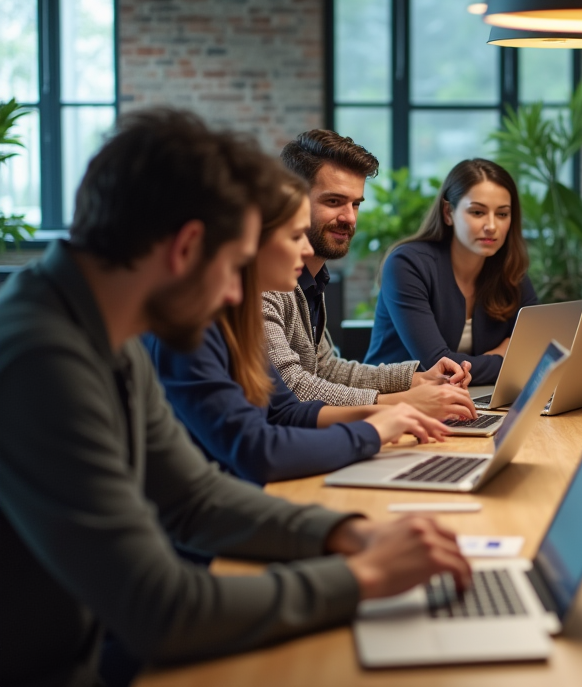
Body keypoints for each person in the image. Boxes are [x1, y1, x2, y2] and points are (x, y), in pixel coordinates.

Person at [0, 109, 469, 687]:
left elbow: (193, 497)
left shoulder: (104, 329)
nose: (234, 294)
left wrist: (346, 533)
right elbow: (161, 611)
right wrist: (365, 577)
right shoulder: (40, 357)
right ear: (187, 247)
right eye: (233, 267)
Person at [146, 165, 452, 486]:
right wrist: (374, 427)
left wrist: (387, 413)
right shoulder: (192, 330)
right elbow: (257, 450)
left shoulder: (237, 316)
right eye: (295, 236)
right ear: (250, 242)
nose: (306, 249)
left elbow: (285, 410)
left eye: (356, 204)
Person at [264, 130, 476, 419]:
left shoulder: (313, 280)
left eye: (356, 204)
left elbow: (326, 368)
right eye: (334, 202)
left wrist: (418, 379)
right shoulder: (266, 281)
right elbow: (292, 390)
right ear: (293, 200)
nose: (350, 218)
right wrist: (406, 402)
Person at [365, 158, 537, 384]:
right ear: (448, 213)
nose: (492, 226)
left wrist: (512, 358)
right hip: (394, 402)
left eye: (502, 214)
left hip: (472, 399)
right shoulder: (407, 264)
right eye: (477, 212)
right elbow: (441, 366)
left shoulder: (510, 271)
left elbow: (536, 350)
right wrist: (502, 355)